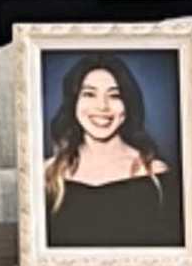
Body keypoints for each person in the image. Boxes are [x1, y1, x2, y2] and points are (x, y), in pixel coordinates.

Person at [40, 54, 184, 252]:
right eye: (89, 94)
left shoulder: (156, 175)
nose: (102, 106)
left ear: (128, 105)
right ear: (73, 103)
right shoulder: (47, 175)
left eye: (115, 95)